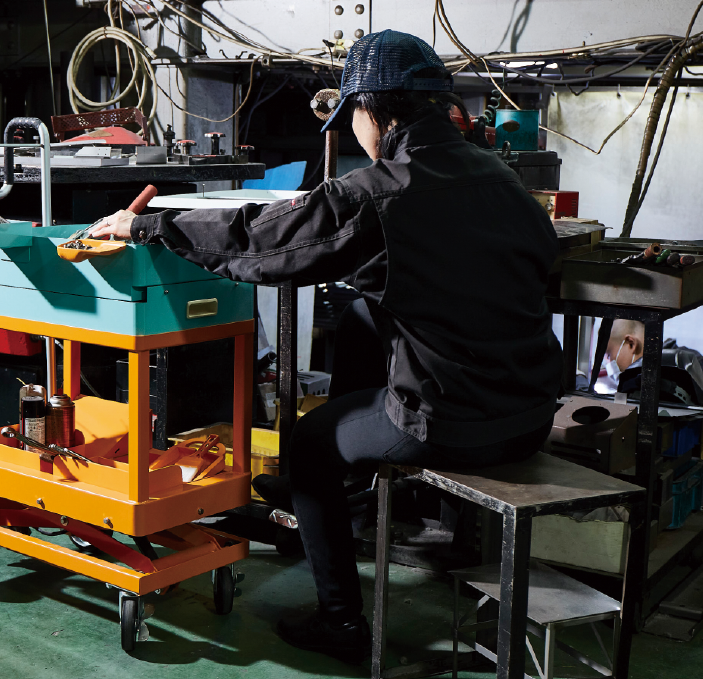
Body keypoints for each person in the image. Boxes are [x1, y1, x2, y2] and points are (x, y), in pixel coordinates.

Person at [91, 29, 562, 664]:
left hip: (453, 420)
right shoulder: (503, 180)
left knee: (309, 445)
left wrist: (147, 224)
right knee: (368, 312)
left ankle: (340, 619)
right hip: (531, 413)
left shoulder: (383, 192)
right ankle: (346, 488)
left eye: (354, 117)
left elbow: (263, 241)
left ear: (374, 111)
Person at [595, 320, 644, 394]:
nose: (609, 361)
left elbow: (620, 403)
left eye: (609, 354)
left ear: (631, 344)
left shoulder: (637, 385)